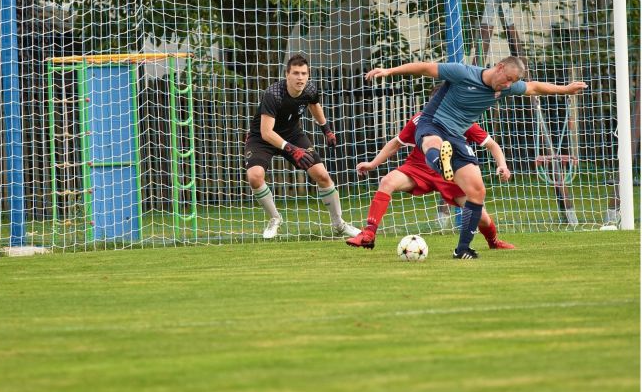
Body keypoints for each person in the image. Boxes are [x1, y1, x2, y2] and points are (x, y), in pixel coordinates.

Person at [364, 56, 587, 259]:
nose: (508, 84)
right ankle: (440, 162)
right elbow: (424, 68)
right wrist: (389, 71)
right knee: (432, 142)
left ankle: (462, 249)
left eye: (512, 82)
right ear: (499, 67)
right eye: (507, 78)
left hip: (456, 136)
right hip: (433, 123)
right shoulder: (463, 73)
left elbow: (533, 87)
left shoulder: (505, 88)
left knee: (477, 191)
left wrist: (565, 89)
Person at [346, 110, 515, 250]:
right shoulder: (419, 119)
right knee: (387, 181)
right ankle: (369, 233)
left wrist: (502, 165)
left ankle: (493, 243)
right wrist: (372, 164)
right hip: (418, 168)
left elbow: (492, 145)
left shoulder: (463, 121)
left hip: (451, 175)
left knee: (482, 217)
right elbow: (396, 143)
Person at [245, 54, 360, 239]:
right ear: (287, 75)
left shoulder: (309, 89)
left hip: (292, 134)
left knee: (322, 175)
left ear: (308, 75)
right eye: (296, 73)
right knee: (255, 177)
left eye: (304, 73)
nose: (300, 77)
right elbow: (267, 133)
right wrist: (292, 150)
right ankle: (275, 218)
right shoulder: (273, 94)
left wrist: (327, 130)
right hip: (262, 138)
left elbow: (314, 105)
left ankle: (339, 224)